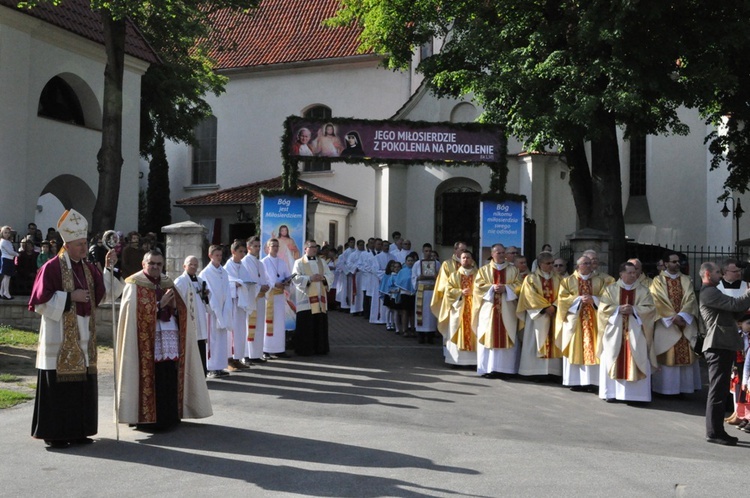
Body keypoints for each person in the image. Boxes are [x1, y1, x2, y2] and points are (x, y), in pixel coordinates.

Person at [29, 209, 121, 449]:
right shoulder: (51, 267)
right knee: (61, 389)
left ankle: (80, 430)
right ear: (67, 245)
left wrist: (110, 268)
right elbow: (38, 303)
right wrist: (70, 297)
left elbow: (106, 294)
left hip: (84, 336)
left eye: (84, 243)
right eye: (79, 244)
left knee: (81, 386)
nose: (83, 248)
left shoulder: (89, 269)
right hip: (59, 337)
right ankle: (57, 434)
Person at [116, 250, 212, 431]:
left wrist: (174, 306)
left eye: (159, 264)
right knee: (150, 376)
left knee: (168, 374)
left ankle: (169, 416)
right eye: (151, 263)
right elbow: (132, 314)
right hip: (144, 341)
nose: (155, 267)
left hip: (168, 335)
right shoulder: (134, 283)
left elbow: (181, 310)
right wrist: (159, 305)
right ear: (144, 264)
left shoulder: (167, 282)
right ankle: (145, 418)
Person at [699, 261, 750, 445]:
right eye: (717, 273)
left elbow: (733, 312)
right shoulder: (709, 292)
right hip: (717, 344)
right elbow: (734, 304)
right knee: (717, 390)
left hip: (723, 344)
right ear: (707, 274)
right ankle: (714, 432)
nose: (720, 276)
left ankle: (716, 431)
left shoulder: (714, 291)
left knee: (720, 390)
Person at [597, 262, 657, 403]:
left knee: (638, 354)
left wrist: (635, 310)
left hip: (636, 332)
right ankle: (611, 393)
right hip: (616, 331)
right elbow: (602, 309)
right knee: (612, 355)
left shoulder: (643, 291)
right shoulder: (610, 290)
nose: (633, 275)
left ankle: (636, 396)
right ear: (621, 274)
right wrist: (618, 309)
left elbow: (650, 309)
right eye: (629, 272)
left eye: (635, 272)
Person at [649, 252, 702, 395]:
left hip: (685, 322)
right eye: (674, 262)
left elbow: (691, 298)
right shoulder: (657, 280)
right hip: (667, 324)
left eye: (678, 262)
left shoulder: (685, 279)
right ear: (666, 263)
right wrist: (672, 317)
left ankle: (684, 388)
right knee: (668, 354)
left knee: (686, 354)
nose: (677, 264)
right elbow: (657, 299)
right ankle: (666, 389)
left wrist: (683, 316)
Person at [555, 255, 607, 391]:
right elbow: (562, 300)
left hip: (594, 320)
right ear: (578, 266)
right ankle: (576, 381)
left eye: (590, 263)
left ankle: (593, 381)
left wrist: (594, 299)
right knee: (575, 347)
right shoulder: (567, 281)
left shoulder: (599, 281)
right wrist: (578, 299)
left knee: (594, 346)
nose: (589, 266)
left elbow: (607, 298)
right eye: (586, 263)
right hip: (575, 321)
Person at [474, 243, 523, 378]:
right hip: (489, 310)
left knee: (507, 335)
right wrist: (492, 288)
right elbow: (478, 286)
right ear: (492, 254)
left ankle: (506, 370)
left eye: (503, 253)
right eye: (498, 253)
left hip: (507, 310)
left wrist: (506, 289)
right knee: (489, 335)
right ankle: (489, 368)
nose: (501, 255)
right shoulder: (484, 270)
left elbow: (519, 285)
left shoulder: (513, 270)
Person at [516, 251, 562, 377]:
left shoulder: (558, 278)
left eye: (552, 263)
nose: (551, 266)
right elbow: (529, 296)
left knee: (553, 340)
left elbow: (563, 295)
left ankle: (552, 372)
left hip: (553, 315)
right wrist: (545, 307)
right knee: (534, 340)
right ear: (540, 264)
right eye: (548, 263)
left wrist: (555, 306)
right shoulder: (531, 278)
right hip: (537, 316)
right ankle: (533, 372)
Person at [292, 240, 334, 355]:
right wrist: (309, 279)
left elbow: (330, 275)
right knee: (306, 324)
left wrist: (323, 277)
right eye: (311, 247)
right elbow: (295, 278)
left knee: (319, 323)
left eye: (316, 247)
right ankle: (305, 349)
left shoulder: (322, 262)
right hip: (306, 300)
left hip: (320, 300)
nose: (314, 249)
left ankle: (320, 348)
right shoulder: (299, 262)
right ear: (305, 249)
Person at [200, 245, 234, 378]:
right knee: (212, 339)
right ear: (210, 256)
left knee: (221, 339)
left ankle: (220, 366)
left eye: (220, 255)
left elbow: (227, 289)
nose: (219, 258)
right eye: (216, 255)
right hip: (212, 311)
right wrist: (215, 308)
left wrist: (226, 307)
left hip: (223, 308)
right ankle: (211, 367)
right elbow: (208, 293)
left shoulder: (223, 272)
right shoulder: (205, 273)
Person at [174, 255, 210, 376]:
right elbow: (176, 301)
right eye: (191, 264)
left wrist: (206, 294)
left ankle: (202, 373)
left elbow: (205, 299)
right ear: (184, 266)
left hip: (200, 320)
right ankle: (191, 375)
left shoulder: (200, 281)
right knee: (190, 346)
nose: (193, 267)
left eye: (195, 264)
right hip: (189, 320)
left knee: (200, 345)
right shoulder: (181, 281)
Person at [440, 249, 478, 365]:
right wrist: (461, 292)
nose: (466, 260)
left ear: (472, 260)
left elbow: (483, 289)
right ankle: (456, 360)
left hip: (474, 308)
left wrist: (474, 292)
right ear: (460, 260)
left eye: (468, 257)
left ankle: (474, 361)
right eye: (463, 258)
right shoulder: (454, 275)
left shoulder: (478, 275)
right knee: (456, 329)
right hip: (458, 308)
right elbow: (448, 291)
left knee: (474, 330)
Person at [224, 240, 255, 371]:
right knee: (232, 332)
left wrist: (246, 284)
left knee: (241, 331)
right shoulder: (227, 267)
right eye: (240, 251)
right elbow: (226, 282)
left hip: (241, 304)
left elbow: (246, 280)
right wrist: (236, 284)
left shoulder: (242, 266)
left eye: (243, 251)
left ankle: (238, 358)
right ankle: (229, 359)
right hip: (232, 303)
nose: (243, 254)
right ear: (233, 252)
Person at [262, 238, 293, 358]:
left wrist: (287, 282)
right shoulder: (264, 262)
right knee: (268, 322)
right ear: (268, 247)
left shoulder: (282, 262)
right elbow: (263, 280)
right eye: (272, 245)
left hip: (279, 298)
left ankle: (279, 349)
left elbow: (287, 276)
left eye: (276, 246)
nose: (275, 248)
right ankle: (266, 349)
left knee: (279, 324)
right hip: (269, 297)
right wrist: (274, 284)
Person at [242, 236, 270, 364]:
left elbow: (265, 278)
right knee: (250, 326)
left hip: (260, 298)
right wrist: (260, 287)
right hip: (251, 299)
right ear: (249, 247)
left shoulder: (260, 263)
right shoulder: (245, 262)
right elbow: (248, 281)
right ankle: (247, 355)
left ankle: (257, 354)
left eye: (259, 246)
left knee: (259, 326)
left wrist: (267, 286)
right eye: (255, 246)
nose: (258, 249)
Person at [413, 247, 438, 344]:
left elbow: (441, 277)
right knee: (421, 313)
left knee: (431, 314)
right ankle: (421, 335)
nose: (428, 253)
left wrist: (436, 277)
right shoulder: (417, 264)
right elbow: (413, 277)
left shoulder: (436, 263)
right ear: (423, 251)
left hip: (432, 291)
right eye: (426, 251)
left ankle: (430, 335)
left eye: (430, 251)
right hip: (421, 291)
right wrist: (419, 278)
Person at [0, 226, 18, 299]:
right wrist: (17, 254)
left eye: (8, 233)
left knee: (7, 276)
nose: (7, 234)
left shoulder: (8, 241)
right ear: (2, 233)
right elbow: (10, 251)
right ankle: (6, 293)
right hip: (6, 259)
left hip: (9, 259)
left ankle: (1, 292)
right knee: (7, 276)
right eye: (5, 233)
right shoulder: (3, 242)